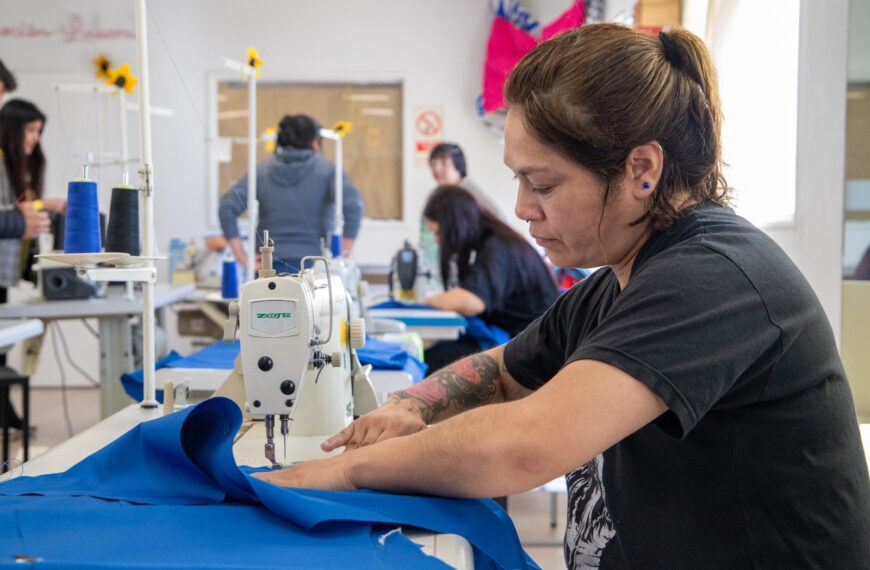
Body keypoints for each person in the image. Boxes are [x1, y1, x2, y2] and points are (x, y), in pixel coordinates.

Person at [253, 24, 870, 568]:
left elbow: (525, 446)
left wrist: (345, 470)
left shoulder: (714, 277)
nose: (522, 208)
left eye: (541, 182)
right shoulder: (618, 283)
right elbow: (502, 370)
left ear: (641, 171)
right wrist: (412, 405)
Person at [420, 185, 557, 369]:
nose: (437, 241)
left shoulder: (497, 247)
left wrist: (425, 302)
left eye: (439, 233)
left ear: (455, 226)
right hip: (521, 338)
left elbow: (471, 302)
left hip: (533, 349)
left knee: (431, 360)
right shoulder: (491, 242)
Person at [218, 114, 364, 274]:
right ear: (315, 142)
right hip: (316, 268)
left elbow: (227, 208)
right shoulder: (329, 171)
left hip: (268, 268)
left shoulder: (260, 172)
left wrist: (243, 257)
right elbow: (354, 208)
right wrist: (342, 254)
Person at [0, 98, 63, 433]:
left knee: (2, 347)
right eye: (31, 130)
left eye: (39, 131)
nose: (35, 138)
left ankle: (5, 413)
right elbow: (8, 213)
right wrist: (43, 204)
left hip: (6, 268)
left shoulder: (14, 167)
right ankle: (6, 413)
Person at [419, 143, 505, 287]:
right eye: (433, 163)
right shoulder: (448, 196)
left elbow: (501, 222)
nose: (436, 168)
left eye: (443, 162)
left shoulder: (469, 194)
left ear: (458, 165)